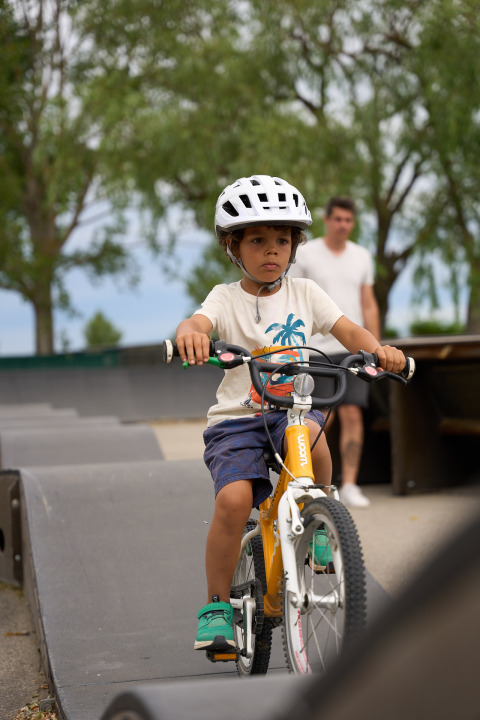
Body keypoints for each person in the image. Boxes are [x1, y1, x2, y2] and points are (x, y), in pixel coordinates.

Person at [175, 175, 405, 654]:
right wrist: (192, 335)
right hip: (237, 418)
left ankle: (321, 518)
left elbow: (347, 330)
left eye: (282, 240)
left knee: (314, 441)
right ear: (232, 246)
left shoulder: (306, 293)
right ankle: (216, 606)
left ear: (295, 246)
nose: (272, 250)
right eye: (257, 240)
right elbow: (198, 322)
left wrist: (379, 351)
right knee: (235, 502)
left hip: (292, 410)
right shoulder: (225, 297)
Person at [289, 196, 380, 509]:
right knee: (317, 420)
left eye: (348, 220)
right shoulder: (305, 253)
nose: (343, 225)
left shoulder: (362, 256)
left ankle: (351, 483)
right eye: (338, 219)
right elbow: (292, 298)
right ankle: (308, 482)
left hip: (352, 352)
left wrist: (376, 350)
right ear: (326, 220)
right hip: (315, 351)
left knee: (353, 414)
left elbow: (368, 302)